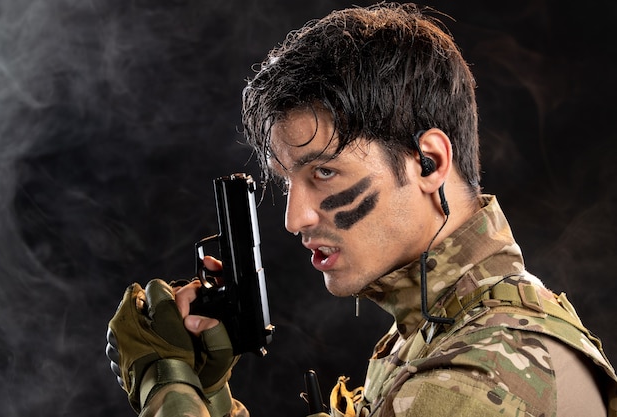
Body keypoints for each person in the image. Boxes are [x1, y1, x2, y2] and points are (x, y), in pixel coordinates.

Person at [106, 3, 617, 416]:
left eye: (323, 173)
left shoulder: (478, 377)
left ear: (428, 161)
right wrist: (207, 391)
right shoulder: (437, 329)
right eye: (288, 183)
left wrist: (167, 388)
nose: (295, 219)